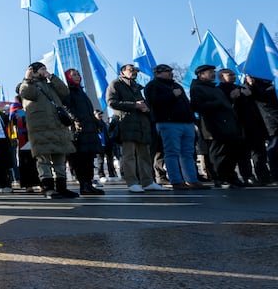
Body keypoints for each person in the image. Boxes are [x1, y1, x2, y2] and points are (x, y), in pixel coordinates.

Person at [18, 62, 79, 199]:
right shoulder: (28, 84)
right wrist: (27, 79)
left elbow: (64, 91)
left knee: (60, 157)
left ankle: (62, 188)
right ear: (32, 71)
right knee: (43, 158)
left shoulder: (50, 84)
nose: (45, 70)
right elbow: (26, 93)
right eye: (41, 69)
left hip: (57, 126)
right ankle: (48, 188)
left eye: (45, 68)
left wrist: (51, 77)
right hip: (40, 128)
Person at [143, 64, 207, 190]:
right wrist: (171, 95)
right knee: (172, 153)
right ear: (157, 73)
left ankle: (192, 180)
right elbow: (152, 101)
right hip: (168, 123)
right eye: (167, 71)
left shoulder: (176, 85)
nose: (170, 73)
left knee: (188, 153)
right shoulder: (153, 85)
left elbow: (185, 103)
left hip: (186, 123)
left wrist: (192, 119)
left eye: (170, 71)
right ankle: (176, 180)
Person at [106, 64, 166, 193]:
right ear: (122, 71)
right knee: (129, 156)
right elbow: (111, 102)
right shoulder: (116, 84)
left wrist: (146, 108)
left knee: (145, 155)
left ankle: (148, 181)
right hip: (127, 124)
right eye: (131, 70)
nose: (134, 72)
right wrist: (134, 105)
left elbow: (142, 103)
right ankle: (132, 182)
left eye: (136, 70)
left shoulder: (136, 86)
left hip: (142, 125)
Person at [189, 65, 246, 188]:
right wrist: (218, 103)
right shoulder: (197, 88)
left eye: (213, 72)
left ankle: (231, 177)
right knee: (218, 153)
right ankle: (220, 178)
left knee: (231, 153)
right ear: (201, 74)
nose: (213, 74)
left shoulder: (214, 88)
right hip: (214, 126)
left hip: (227, 125)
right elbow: (198, 106)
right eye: (210, 72)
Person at [218, 69, 267, 186]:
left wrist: (251, 86)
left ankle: (263, 175)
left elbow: (258, 98)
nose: (233, 76)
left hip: (252, 123)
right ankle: (247, 175)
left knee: (259, 151)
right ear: (221, 76)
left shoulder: (241, 87)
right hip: (237, 125)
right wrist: (231, 97)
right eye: (230, 75)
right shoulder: (220, 90)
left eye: (234, 74)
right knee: (243, 153)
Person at [62, 69, 105, 195]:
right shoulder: (68, 91)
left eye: (78, 74)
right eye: (73, 75)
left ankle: (89, 183)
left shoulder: (81, 91)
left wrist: (97, 123)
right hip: (79, 129)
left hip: (89, 129)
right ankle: (83, 185)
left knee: (89, 158)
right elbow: (66, 107)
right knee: (80, 158)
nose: (77, 76)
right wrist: (75, 120)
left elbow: (89, 112)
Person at [244, 75, 278, 185]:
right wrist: (251, 84)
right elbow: (262, 95)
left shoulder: (268, 87)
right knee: (272, 150)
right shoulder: (262, 89)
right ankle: (273, 175)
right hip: (269, 123)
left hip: (268, 122)